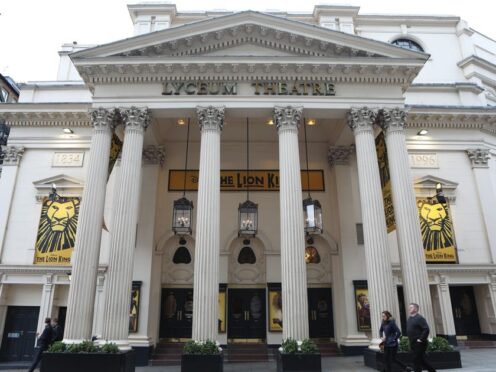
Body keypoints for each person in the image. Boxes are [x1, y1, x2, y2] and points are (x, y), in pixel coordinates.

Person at [406, 303, 436, 372]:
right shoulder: (410, 318)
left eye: (411, 307)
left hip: (419, 343)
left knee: (415, 361)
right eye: (409, 307)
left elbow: (426, 329)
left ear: (416, 309)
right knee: (421, 361)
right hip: (412, 343)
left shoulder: (420, 318)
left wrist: (420, 339)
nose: (409, 308)